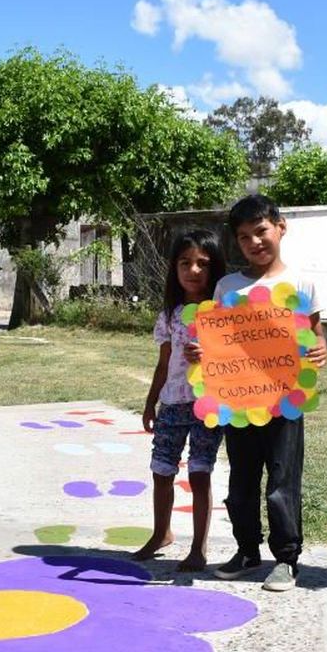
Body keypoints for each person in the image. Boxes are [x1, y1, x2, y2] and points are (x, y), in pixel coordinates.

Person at [198, 194, 327, 592]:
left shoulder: (301, 282)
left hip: (284, 401)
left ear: (280, 227)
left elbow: (316, 333)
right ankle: (247, 550)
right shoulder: (227, 286)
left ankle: (286, 559)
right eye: (244, 236)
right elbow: (214, 341)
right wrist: (199, 351)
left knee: (283, 480)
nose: (254, 242)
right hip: (238, 402)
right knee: (241, 479)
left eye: (261, 231)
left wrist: (322, 348)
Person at [137, 229, 227, 571]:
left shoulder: (223, 314)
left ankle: (198, 549)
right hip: (172, 403)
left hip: (208, 405)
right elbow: (163, 363)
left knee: (200, 473)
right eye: (185, 263)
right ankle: (161, 533)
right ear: (174, 268)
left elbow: (234, 359)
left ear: (214, 268)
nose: (193, 271)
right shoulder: (170, 315)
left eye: (203, 264)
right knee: (162, 470)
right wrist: (150, 402)